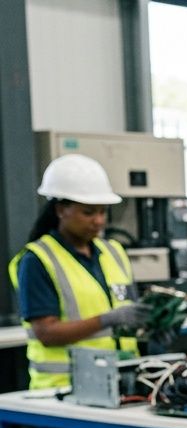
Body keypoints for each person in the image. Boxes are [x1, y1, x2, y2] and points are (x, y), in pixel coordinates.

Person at [9, 154, 149, 391]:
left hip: (120, 384)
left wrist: (152, 326)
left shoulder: (113, 252)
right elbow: (46, 332)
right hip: (63, 390)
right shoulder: (37, 260)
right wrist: (108, 319)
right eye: (89, 212)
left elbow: (128, 313)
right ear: (61, 209)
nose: (98, 221)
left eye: (103, 212)